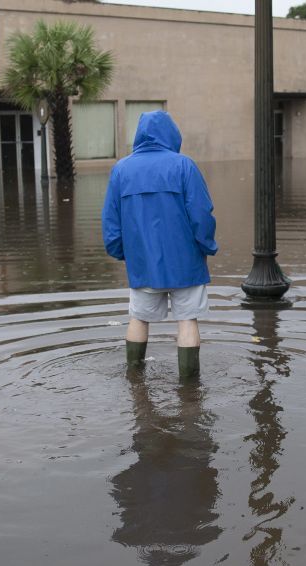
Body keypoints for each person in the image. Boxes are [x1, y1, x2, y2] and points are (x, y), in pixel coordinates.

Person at [101, 111, 218, 378]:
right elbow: (201, 213)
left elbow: (111, 220)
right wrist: (207, 245)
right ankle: (190, 388)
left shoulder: (121, 170)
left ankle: (134, 379)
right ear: (172, 134)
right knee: (187, 319)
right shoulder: (184, 166)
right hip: (186, 262)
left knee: (138, 318)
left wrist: (123, 253)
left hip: (142, 262)